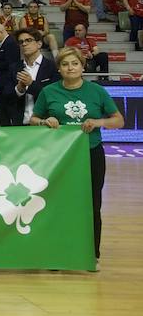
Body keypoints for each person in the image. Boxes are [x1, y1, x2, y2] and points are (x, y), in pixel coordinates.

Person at [30, 47, 124, 261]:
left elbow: (118, 120)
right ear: (59, 69)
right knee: (57, 202)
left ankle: (92, 254)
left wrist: (98, 122)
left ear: (83, 66)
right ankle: (58, 252)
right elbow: (34, 119)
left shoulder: (97, 91)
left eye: (74, 63)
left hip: (91, 153)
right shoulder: (49, 92)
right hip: (59, 157)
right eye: (65, 64)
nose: (70, 68)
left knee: (92, 203)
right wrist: (46, 121)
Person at [0, 28, 59, 127]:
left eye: (28, 40)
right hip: (19, 125)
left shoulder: (52, 67)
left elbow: (53, 96)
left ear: (39, 44)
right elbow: (6, 96)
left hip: (46, 125)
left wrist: (31, 84)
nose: (24, 44)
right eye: (21, 42)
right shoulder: (13, 68)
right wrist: (19, 89)